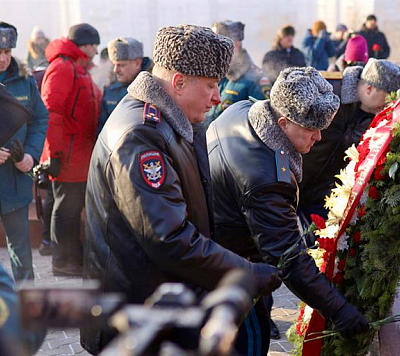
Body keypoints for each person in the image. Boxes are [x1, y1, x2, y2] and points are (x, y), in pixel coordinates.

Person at [81, 24, 282, 354]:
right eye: (211, 85)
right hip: (134, 325)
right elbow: (169, 238)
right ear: (178, 82)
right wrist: (244, 273)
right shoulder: (140, 136)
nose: (217, 97)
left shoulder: (173, 121)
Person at [207, 67, 369, 355]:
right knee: (250, 345)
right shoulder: (267, 179)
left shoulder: (243, 111)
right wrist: (340, 310)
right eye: (311, 130)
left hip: (216, 251)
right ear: (283, 122)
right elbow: (288, 258)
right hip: (238, 273)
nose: (319, 138)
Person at [299, 59, 400, 221]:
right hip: (297, 180)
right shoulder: (328, 90)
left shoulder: (377, 118)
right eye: (386, 98)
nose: (387, 106)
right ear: (369, 88)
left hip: (325, 194)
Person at [0, 20, 48, 281]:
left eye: (7, 52)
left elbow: (40, 118)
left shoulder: (24, 81)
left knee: (21, 248)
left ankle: (27, 308)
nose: (3, 58)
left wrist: (32, 154)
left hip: (15, 175)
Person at [40, 23, 102, 277]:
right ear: (84, 45)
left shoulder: (78, 67)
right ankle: (62, 262)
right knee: (66, 208)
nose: (97, 50)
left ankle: (71, 258)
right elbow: (52, 114)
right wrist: (54, 155)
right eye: (94, 45)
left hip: (77, 152)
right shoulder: (63, 68)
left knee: (70, 207)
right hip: (67, 154)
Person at [205, 20, 270, 126]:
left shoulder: (255, 78)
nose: (214, 52)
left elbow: (264, 120)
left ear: (235, 45)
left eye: (219, 47)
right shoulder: (216, 73)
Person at [98, 37, 153, 134]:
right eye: (114, 64)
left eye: (121, 65)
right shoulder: (110, 89)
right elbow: (102, 129)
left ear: (137, 63)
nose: (116, 70)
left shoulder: (154, 87)